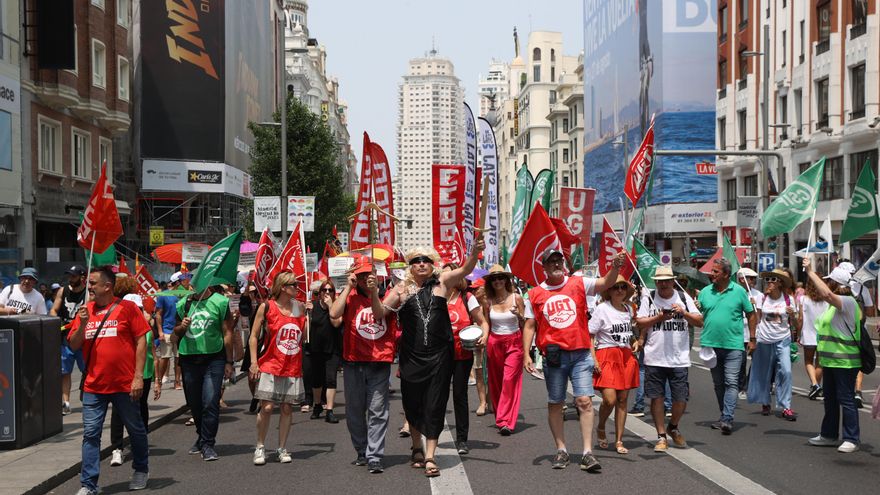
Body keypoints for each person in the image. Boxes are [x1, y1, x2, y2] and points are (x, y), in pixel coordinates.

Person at [378, 237, 484, 478]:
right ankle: (416, 447)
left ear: (432, 264)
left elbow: (466, 269)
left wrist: (475, 252)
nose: (422, 264)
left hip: (439, 356)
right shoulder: (401, 289)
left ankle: (430, 456)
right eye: (416, 261)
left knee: (436, 404)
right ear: (410, 265)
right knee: (412, 403)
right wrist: (372, 291)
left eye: (426, 260)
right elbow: (380, 312)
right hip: (411, 357)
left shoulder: (442, 282)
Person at [522, 248, 625, 472]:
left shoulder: (578, 282)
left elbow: (604, 283)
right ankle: (561, 449)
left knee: (584, 401)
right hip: (554, 356)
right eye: (552, 262)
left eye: (559, 260)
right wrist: (526, 353)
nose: (557, 264)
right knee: (556, 403)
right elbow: (530, 325)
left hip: (580, 353)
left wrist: (615, 267)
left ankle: (588, 453)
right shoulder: (534, 294)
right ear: (544, 267)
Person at [68, 266, 150, 494]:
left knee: (135, 429)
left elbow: (141, 341)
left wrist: (138, 377)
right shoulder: (85, 311)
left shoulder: (128, 308)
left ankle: (141, 469)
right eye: (89, 283)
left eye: (93, 283)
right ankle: (88, 484)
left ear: (108, 286)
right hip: (94, 385)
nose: (89, 287)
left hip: (124, 384)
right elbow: (74, 344)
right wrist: (83, 323)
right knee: (91, 434)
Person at [329, 256, 396, 474]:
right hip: (353, 362)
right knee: (355, 410)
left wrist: (375, 292)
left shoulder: (389, 295)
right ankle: (361, 450)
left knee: (377, 411)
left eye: (369, 274)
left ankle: (374, 455)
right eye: (361, 276)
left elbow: (378, 314)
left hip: (379, 361)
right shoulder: (349, 297)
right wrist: (347, 288)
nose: (366, 278)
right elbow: (334, 314)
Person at [635, 266, 700, 452]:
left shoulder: (683, 297)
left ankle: (673, 427)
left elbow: (699, 320)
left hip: (679, 358)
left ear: (673, 281)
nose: (663, 284)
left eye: (667, 280)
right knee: (657, 398)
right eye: (660, 281)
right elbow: (639, 322)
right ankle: (661, 436)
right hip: (655, 357)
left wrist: (683, 313)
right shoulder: (649, 297)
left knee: (680, 399)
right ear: (655, 282)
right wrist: (659, 318)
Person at [804, 258, 862, 453]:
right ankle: (829, 435)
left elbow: (827, 294)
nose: (827, 283)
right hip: (831, 361)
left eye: (829, 280)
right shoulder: (834, 305)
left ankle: (851, 438)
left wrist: (811, 272)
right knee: (830, 399)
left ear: (836, 284)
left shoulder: (847, 302)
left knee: (846, 400)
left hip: (845, 362)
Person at [248, 272, 306, 465]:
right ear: (283, 287)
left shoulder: (300, 308)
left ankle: (282, 447)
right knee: (267, 407)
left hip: (292, 365)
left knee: (287, 408)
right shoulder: (267, 307)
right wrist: (254, 362)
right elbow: (254, 336)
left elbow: (304, 337)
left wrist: (308, 315)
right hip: (271, 363)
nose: (297, 288)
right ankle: (260, 446)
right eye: (293, 285)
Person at [694, 258, 756, 435]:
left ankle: (727, 418)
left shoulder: (739, 292)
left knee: (731, 382)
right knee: (718, 384)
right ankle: (724, 416)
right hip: (710, 346)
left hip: (733, 346)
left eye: (715, 271)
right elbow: (698, 317)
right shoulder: (705, 292)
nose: (711, 274)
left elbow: (752, 314)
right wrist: (696, 308)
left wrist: (752, 338)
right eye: (712, 271)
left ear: (726, 274)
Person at [173, 284, 234, 461]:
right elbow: (174, 334)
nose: (193, 286)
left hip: (214, 359)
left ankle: (208, 443)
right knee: (195, 404)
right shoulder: (183, 304)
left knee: (210, 402)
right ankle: (201, 436)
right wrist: (182, 326)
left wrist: (229, 361)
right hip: (189, 359)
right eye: (192, 282)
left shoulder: (221, 302)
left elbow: (227, 332)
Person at [590, 275, 640, 454]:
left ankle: (619, 440)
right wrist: (593, 358)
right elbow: (591, 335)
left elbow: (629, 331)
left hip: (625, 356)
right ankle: (601, 425)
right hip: (606, 354)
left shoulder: (628, 309)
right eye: (616, 287)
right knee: (609, 399)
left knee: (622, 400)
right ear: (609, 290)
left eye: (622, 287)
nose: (619, 290)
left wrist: (634, 340)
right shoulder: (602, 309)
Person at [109, 277, 156, 468]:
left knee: (141, 407)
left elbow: (152, 349)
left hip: (144, 374)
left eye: (138, 307)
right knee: (118, 412)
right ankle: (117, 448)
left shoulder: (146, 323)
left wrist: (159, 379)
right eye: (132, 306)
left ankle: (140, 442)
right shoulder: (118, 322)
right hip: (122, 375)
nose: (135, 310)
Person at [443, 262, 488, 455]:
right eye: (443, 275)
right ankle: (432, 435)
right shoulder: (434, 295)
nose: (446, 278)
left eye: (450, 274)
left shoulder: (466, 297)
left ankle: (462, 439)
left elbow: (483, 322)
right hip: (439, 355)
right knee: (437, 396)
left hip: (462, 354)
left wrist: (484, 336)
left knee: (459, 395)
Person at [746, 269, 799, 421]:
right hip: (764, 340)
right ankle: (765, 402)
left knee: (786, 371)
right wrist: (753, 339)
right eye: (768, 279)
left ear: (780, 283)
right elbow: (756, 320)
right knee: (764, 373)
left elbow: (795, 324)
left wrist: (792, 315)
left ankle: (786, 406)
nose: (769, 281)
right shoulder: (762, 299)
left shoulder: (788, 300)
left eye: (772, 279)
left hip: (783, 339)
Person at [482, 264, 525, 436]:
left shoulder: (517, 298)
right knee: (496, 381)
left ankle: (505, 421)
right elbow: (486, 323)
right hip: (494, 342)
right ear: (490, 283)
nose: (497, 281)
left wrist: (518, 315)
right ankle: (501, 414)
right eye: (494, 279)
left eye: (500, 278)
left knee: (509, 380)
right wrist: (484, 338)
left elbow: (526, 324)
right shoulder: (488, 301)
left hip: (514, 342)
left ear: (506, 280)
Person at [51, 265, 88, 416]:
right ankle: (65, 402)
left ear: (82, 277)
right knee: (64, 372)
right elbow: (53, 309)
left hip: (83, 338)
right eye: (69, 276)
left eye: (73, 276)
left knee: (87, 370)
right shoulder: (63, 290)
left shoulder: (88, 294)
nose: (70, 279)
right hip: (65, 338)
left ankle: (86, 393)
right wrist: (56, 321)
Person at [837, 261, 874, 409]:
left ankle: (844, 391)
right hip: (859, 333)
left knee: (843, 363)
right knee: (858, 362)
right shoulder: (862, 289)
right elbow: (870, 312)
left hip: (840, 332)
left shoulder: (836, 289)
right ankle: (857, 391)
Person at [307, 278, 343, 423]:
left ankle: (329, 409)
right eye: (324, 290)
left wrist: (330, 307)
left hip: (332, 349)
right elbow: (306, 328)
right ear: (319, 293)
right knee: (316, 381)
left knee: (331, 379)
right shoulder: (313, 306)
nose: (327, 293)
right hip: (315, 348)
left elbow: (336, 323)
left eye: (330, 290)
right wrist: (306, 314)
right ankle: (317, 405)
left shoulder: (337, 306)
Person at [154, 272, 187, 395]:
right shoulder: (164, 295)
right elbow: (158, 314)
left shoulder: (184, 296)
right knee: (165, 357)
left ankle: (177, 381)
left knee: (179, 358)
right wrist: (160, 331)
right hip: (167, 331)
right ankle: (159, 382)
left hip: (180, 331)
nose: (186, 282)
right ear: (177, 282)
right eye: (183, 280)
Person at [800, 275, 828, 400]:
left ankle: (815, 384)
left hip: (808, 334)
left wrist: (798, 332)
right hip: (823, 336)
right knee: (820, 363)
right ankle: (816, 386)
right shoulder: (826, 300)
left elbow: (800, 318)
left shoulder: (803, 299)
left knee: (808, 361)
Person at [736, 268, 761, 399]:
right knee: (741, 362)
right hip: (738, 332)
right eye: (751, 278)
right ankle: (741, 387)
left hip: (753, 332)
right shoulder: (735, 293)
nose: (754, 281)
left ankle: (750, 383)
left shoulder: (758, 295)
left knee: (757, 360)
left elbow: (759, 317)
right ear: (742, 279)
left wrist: (754, 307)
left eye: (754, 278)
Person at [469, 278, 491, 416]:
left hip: (492, 342)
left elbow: (488, 323)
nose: (474, 291)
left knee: (492, 374)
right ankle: (482, 402)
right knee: (479, 372)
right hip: (476, 342)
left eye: (477, 288)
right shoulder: (470, 304)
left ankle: (490, 399)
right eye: (473, 288)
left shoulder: (490, 304)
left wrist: (485, 307)